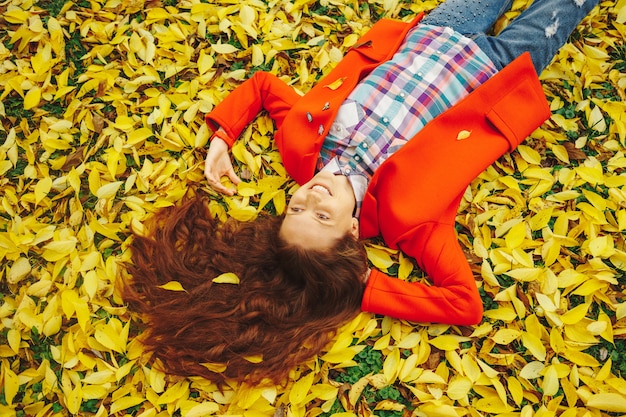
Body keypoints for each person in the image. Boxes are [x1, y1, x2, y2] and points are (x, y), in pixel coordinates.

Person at [124, 0, 599, 385]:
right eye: (323, 215)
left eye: (298, 205)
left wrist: (223, 137)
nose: (314, 194)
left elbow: (265, 87)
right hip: (499, 71)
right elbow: (463, 304)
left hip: (440, 31)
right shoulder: (410, 222)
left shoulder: (302, 150)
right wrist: (357, 287)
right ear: (352, 232)